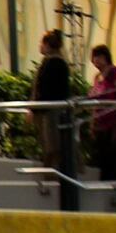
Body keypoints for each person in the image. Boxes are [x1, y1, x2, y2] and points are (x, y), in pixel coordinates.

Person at [32, 30, 75, 177]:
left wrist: (35, 109)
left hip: (51, 112)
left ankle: (52, 176)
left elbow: (45, 89)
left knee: (53, 145)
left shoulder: (54, 63)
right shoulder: (54, 62)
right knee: (51, 145)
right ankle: (52, 175)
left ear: (48, 45)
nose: (40, 46)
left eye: (42, 43)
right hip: (50, 110)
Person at [87, 45, 116, 182]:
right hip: (100, 122)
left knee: (114, 157)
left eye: (99, 56)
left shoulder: (115, 73)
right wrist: (92, 121)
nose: (96, 60)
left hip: (113, 122)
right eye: (94, 57)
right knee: (102, 157)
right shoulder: (97, 77)